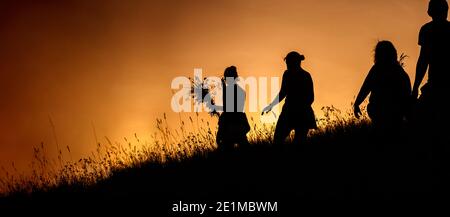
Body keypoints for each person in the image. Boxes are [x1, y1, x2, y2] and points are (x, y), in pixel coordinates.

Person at [354, 41, 411, 130]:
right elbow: (407, 94)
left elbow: (366, 87)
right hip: (394, 112)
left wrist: (357, 103)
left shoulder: (377, 69)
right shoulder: (400, 72)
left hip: (382, 111)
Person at [412, 0, 450, 134]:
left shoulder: (427, 30)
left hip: (436, 86)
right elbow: (423, 61)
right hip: (439, 86)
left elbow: (423, 60)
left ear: (429, 12)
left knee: (422, 123)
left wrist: (415, 86)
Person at [262, 51, 317, 145]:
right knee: (281, 140)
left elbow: (310, 97)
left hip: (295, 112)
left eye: (288, 62)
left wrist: (300, 107)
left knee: (289, 141)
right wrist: (271, 105)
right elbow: (283, 93)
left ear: (295, 62)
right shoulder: (297, 74)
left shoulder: (297, 75)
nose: (287, 65)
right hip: (294, 111)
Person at [212, 66, 250, 151]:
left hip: (230, 125)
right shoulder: (240, 91)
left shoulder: (229, 90)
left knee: (226, 150)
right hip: (239, 123)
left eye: (226, 77)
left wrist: (221, 129)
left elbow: (228, 109)